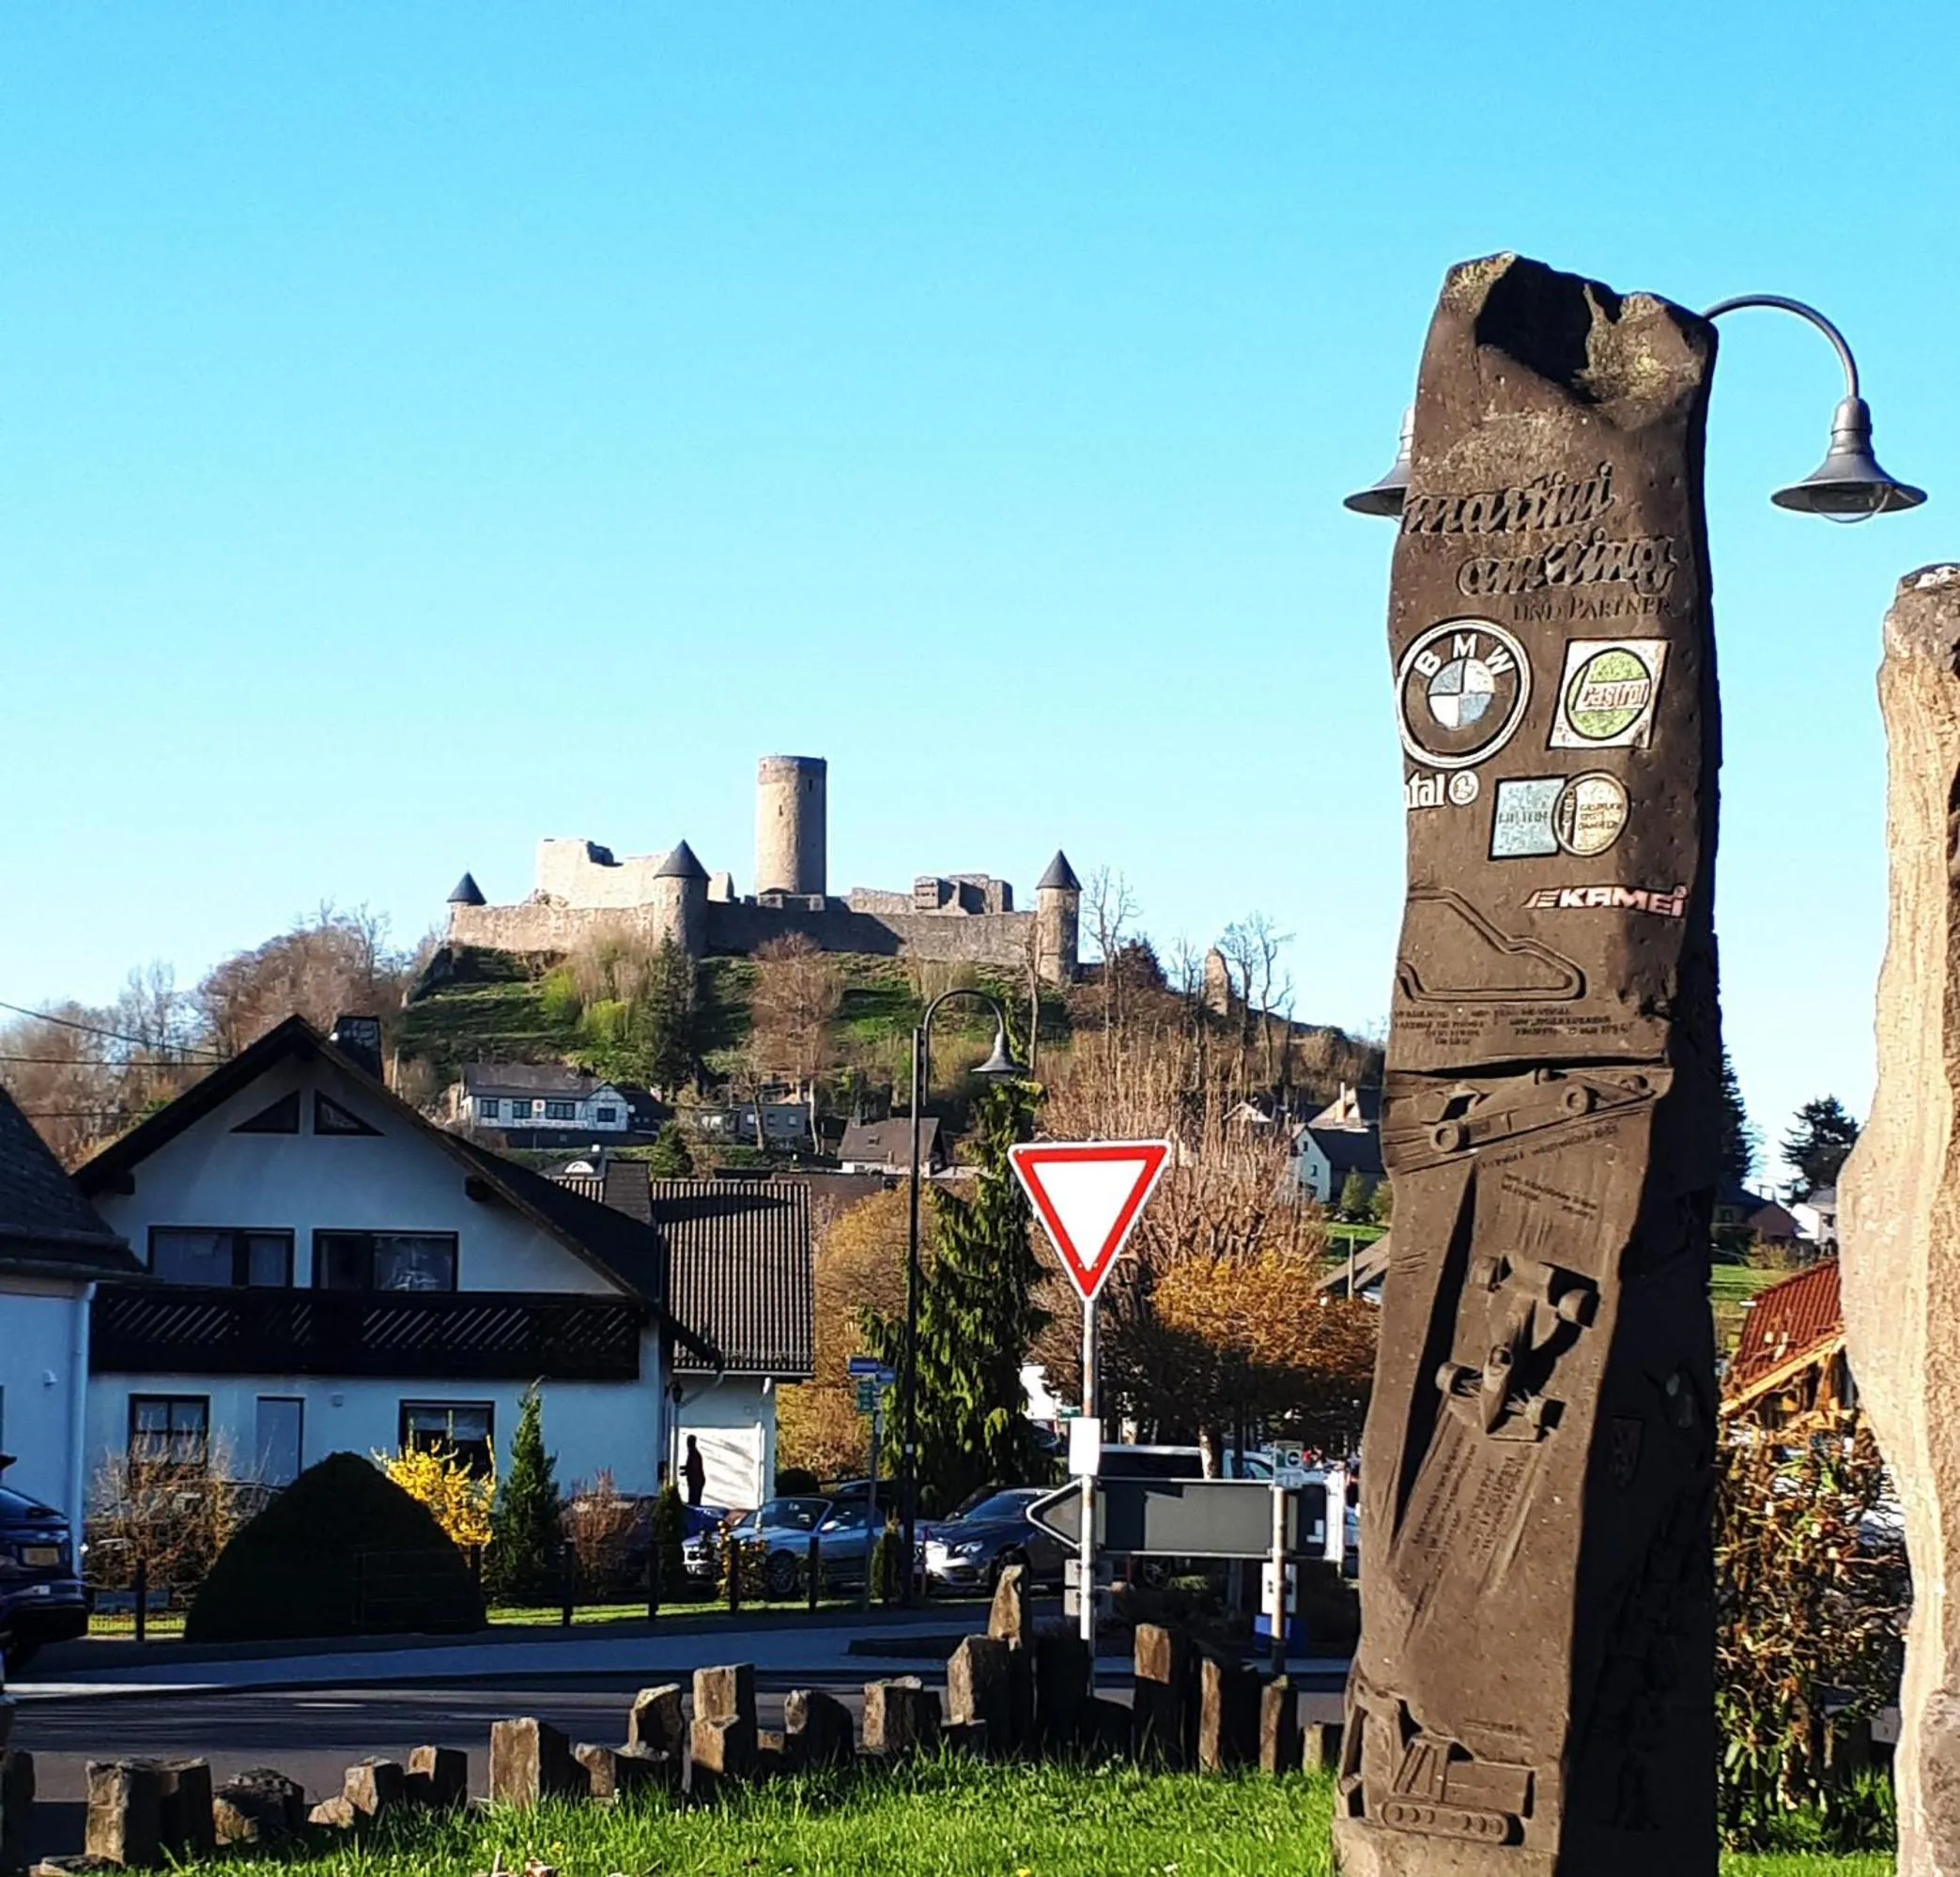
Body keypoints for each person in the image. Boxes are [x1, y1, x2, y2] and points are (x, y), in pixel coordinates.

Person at [683, 1434, 706, 1508]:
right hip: (695, 1481)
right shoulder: (692, 1452)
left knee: (694, 1502)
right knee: (693, 1500)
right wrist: (685, 1469)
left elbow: (694, 1468)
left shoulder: (693, 1453)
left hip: (696, 1481)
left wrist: (686, 1471)